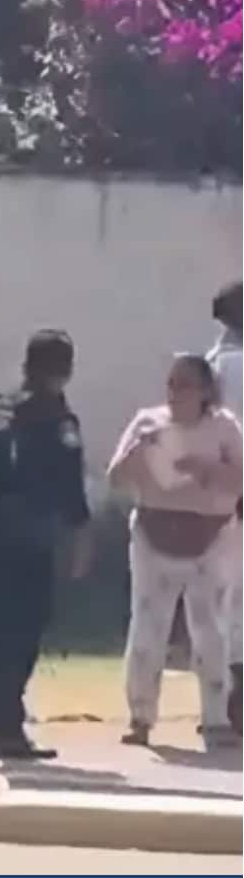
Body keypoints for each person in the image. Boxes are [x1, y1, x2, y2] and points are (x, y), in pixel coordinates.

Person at [106, 353, 243, 747]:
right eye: (171, 383)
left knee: (210, 629)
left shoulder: (224, 428)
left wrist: (208, 470)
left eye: (185, 385)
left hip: (210, 538)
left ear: (204, 391)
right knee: (148, 627)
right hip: (154, 534)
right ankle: (140, 716)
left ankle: (216, 719)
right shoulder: (148, 422)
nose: (175, 393)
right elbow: (116, 477)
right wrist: (140, 451)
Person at [0, 329, 92, 760]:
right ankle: (5, 729)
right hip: (28, 540)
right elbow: (70, 486)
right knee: (21, 632)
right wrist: (79, 540)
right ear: (65, 370)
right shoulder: (54, 417)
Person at [207, 280, 243, 731]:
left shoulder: (212, 365)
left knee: (221, 601)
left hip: (215, 499)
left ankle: (220, 703)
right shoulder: (233, 366)